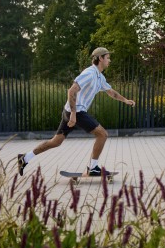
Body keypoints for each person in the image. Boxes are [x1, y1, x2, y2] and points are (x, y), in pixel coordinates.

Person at [17, 47, 135, 176]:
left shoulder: (99, 77)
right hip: (76, 111)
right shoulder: (89, 73)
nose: (109, 60)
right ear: (100, 58)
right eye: (108, 57)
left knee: (56, 141)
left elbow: (111, 92)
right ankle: (93, 168)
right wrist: (73, 114)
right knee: (102, 134)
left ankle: (25, 158)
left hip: (70, 111)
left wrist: (125, 100)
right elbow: (72, 90)